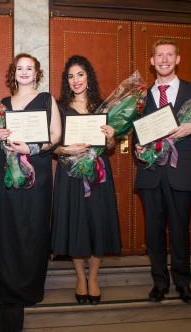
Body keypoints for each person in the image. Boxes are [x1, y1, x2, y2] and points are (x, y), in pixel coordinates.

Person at [0, 53, 62, 331]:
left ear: (37, 73)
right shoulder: (3, 104)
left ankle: (30, 288)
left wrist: (30, 149)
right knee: (9, 227)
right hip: (9, 174)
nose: (24, 72)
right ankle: (7, 282)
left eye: (29, 68)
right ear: (14, 73)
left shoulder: (47, 100)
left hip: (39, 172)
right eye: (19, 68)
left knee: (34, 227)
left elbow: (56, 136)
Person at [134, 39, 191, 304]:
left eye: (169, 55)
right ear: (152, 61)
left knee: (180, 231)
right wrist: (137, 147)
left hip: (182, 173)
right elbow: (137, 132)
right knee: (153, 232)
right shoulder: (140, 98)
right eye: (159, 55)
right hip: (151, 172)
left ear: (177, 59)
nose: (164, 59)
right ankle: (160, 283)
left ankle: (183, 283)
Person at [51, 55, 121, 305]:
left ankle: (94, 277)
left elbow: (110, 146)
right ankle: (80, 277)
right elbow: (52, 146)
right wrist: (66, 150)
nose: (75, 80)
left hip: (98, 174)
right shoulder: (58, 107)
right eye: (70, 76)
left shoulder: (103, 106)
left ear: (88, 76)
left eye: (80, 74)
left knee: (95, 224)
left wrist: (111, 137)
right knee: (76, 225)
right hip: (70, 175)